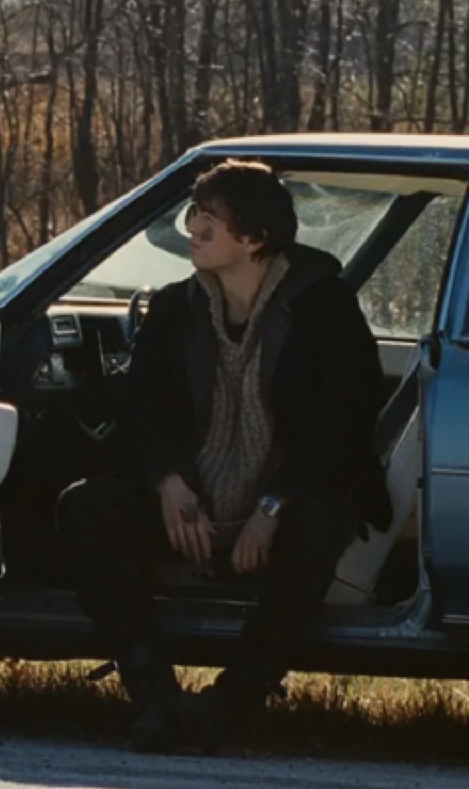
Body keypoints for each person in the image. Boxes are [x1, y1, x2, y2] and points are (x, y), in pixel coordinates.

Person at [57, 160, 391, 753]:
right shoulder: (175, 309)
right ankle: (155, 702)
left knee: (319, 522)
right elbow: (142, 413)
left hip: (283, 503)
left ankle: (230, 706)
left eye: (210, 219)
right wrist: (168, 481)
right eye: (195, 215)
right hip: (194, 504)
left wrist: (272, 506)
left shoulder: (325, 308)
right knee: (86, 508)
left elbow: (340, 428)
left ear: (255, 237)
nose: (194, 230)